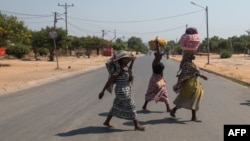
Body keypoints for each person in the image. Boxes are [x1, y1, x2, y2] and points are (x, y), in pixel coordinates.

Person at [98, 50, 146, 131]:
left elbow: (129, 70)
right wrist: (102, 91)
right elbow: (110, 80)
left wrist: (132, 62)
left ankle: (106, 121)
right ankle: (136, 125)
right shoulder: (119, 69)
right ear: (121, 59)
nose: (127, 59)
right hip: (122, 90)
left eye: (128, 58)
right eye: (125, 58)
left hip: (124, 89)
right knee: (132, 106)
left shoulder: (124, 66)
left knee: (116, 105)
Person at [171, 51, 208, 122]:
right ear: (188, 55)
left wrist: (202, 76)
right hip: (189, 83)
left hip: (193, 82)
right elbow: (186, 74)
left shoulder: (191, 63)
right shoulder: (187, 64)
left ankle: (174, 110)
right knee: (193, 97)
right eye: (192, 54)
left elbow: (195, 73)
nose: (194, 55)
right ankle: (192, 117)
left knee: (191, 98)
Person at [142, 38, 171, 113]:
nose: (161, 56)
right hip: (155, 79)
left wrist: (162, 46)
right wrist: (157, 44)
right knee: (151, 92)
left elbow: (161, 52)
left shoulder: (158, 61)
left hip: (160, 79)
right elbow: (159, 53)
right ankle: (144, 106)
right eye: (160, 55)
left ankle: (168, 108)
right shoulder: (154, 62)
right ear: (156, 56)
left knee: (164, 93)